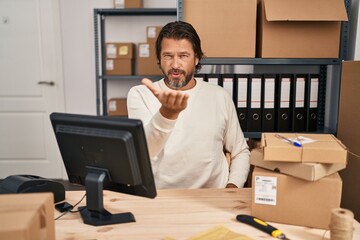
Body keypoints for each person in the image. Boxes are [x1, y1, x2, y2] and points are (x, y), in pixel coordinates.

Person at [127, 21, 250, 189]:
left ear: (196, 58)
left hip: (212, 198)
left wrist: (232, 187)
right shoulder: (140, 94)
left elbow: (240, 151)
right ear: (159, 58)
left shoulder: (219, 96)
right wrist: (166, 113)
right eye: (168, 56)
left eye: (183, 56)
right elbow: (145, 152)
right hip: (161, 197)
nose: (175, 65)